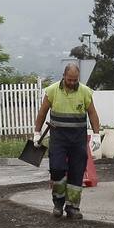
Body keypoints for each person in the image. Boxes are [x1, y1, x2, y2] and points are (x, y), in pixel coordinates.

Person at [33, 63, 102, 219]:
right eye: (69, 79)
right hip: (58, 139)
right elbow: (42, 112)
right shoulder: (52, 91)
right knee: (57, 169)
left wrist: (96, 134)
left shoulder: (85, 92)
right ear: (63, 76)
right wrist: (37, 133)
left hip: (78, 139)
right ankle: (58, 203)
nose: (72, 83)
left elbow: (92, 114)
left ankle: (72, 207)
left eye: (75, 80)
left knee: (76, 173)